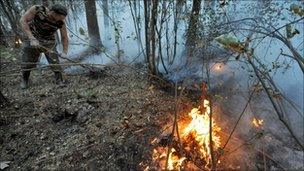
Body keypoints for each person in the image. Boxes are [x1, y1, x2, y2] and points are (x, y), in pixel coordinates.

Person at [19, 4, 69, 89]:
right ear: (53, 13)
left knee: (54, 61)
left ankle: (59, 80)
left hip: (49, 41)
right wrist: (31, 38)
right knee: (27, 61)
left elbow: (64, 37)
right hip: (33, 37)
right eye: (60, 16)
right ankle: (25, 80)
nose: (62, 19)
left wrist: (65, 51)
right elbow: (23, 20)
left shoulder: (61, 22)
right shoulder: (38, 10)